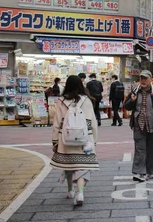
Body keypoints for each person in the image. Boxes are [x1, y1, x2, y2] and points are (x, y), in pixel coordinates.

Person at [50, 75, 99, 207]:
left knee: (69, 165)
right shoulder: (87, 100)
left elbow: (56, 123)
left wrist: (55, 141)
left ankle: (70, 190)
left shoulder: (61, 101)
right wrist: (94, 139)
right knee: (82, 166)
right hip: (84, 138)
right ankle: (80, 193)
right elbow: (92, 122)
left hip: (65, 138)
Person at [123, 70, 153, 182]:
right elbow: (127, 106)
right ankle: (139, 172)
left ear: (150, 79)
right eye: (141, 78)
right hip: (139, 124)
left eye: (145, 78)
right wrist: (132, 101)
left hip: (152, 124)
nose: (143, 81)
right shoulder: (135, 91)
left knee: (152, 149)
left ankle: (150, 171)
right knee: (140, 149)